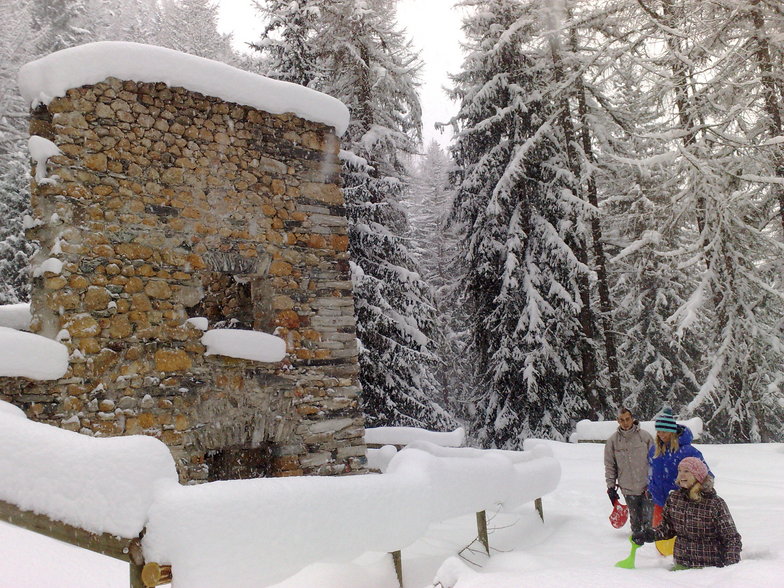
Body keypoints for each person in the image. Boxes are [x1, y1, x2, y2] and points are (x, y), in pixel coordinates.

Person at [632, 457, 742, 568]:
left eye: (686, 471)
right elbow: (667, 529)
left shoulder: (715, 503)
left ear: (698, 476)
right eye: (679, 471)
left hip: (710, 568)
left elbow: (732, 538)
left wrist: (731, 567)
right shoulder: (674, 499)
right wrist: (649, 534)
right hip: (681, 565)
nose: (681, 475)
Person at [647, 406, 710, 529]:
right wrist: (650, 488)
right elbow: (649, 472)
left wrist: (698, 492)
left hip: (682, 504)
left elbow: (705, 474)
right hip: (660, 502)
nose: (661, 435)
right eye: (658, 431)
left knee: (679, 539)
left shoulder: (688, 451)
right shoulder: (654, 451)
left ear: (672, 431)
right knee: (660, 540)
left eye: (664, 431)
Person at [604, 407, 653, 533]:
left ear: (632, 419)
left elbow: (654, 461)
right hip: (627, 488)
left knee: (649, 523)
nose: (625, 423)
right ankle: (636, 545)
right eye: (622, 420)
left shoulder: (645, 437)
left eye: (627, 419)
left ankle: (648, 549)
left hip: (646, 487)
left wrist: (653, 482)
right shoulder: (612, 441)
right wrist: (610, 487)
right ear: (617, 421)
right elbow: (610, 465)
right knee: (635, 523)